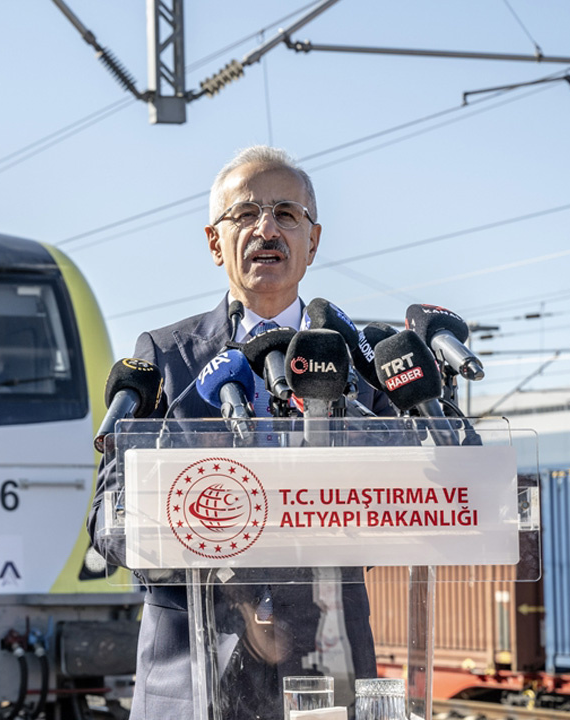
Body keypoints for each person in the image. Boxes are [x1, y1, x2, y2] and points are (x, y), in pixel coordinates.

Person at [88, 146, 394, 719]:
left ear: (314, 239)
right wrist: (234, 582)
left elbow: (397, 503)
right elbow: (109, 519)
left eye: (286, 213)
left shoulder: (359, 359)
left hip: (327, 669)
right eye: (246, 214)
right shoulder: (165, 358)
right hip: (191, 679)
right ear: (213, 242)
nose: (266, 229)